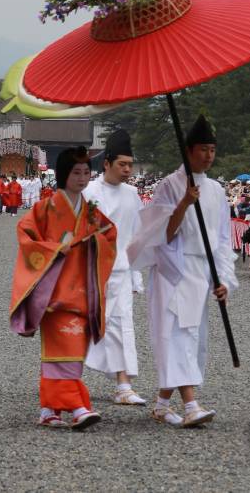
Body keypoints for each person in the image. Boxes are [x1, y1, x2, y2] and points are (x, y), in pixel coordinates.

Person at [127, 115, 238, 428]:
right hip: (174, 269)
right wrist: (184, 204)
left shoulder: (216, 190)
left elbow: (221, 240)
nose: (208, 156)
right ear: (188, 150)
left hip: (202, 270)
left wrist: (224, 279)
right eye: (203, 149)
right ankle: (191, 405)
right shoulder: (169, 185)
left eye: (212, 150)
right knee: (174, 334)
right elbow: (162, 234)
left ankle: (163, 404)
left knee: (192, 336)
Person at [9, 147, 117, 430]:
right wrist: (55, 249)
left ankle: (49, 408)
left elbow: (110, 235)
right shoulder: (45, 208)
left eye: (85, 172)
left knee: (71, 352)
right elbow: (26, 235)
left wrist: (94, 242)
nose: (82, 178)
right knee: (63, 351)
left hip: (81, 289)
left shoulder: (91, 211)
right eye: (76, 172)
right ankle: (77, 406)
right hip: (54, 293)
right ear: (63, 175)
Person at [83, 130, 146, 406]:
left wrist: (136, 274)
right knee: (83, 323)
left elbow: (135, 237)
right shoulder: (88, 191)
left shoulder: (133, 194)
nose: (128, 170)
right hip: (89, 269)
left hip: (120, 268)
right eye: (122, 164)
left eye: (130, 165)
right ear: (106, 163)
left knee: (122, 324)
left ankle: (124, 385)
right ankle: (65, 378)